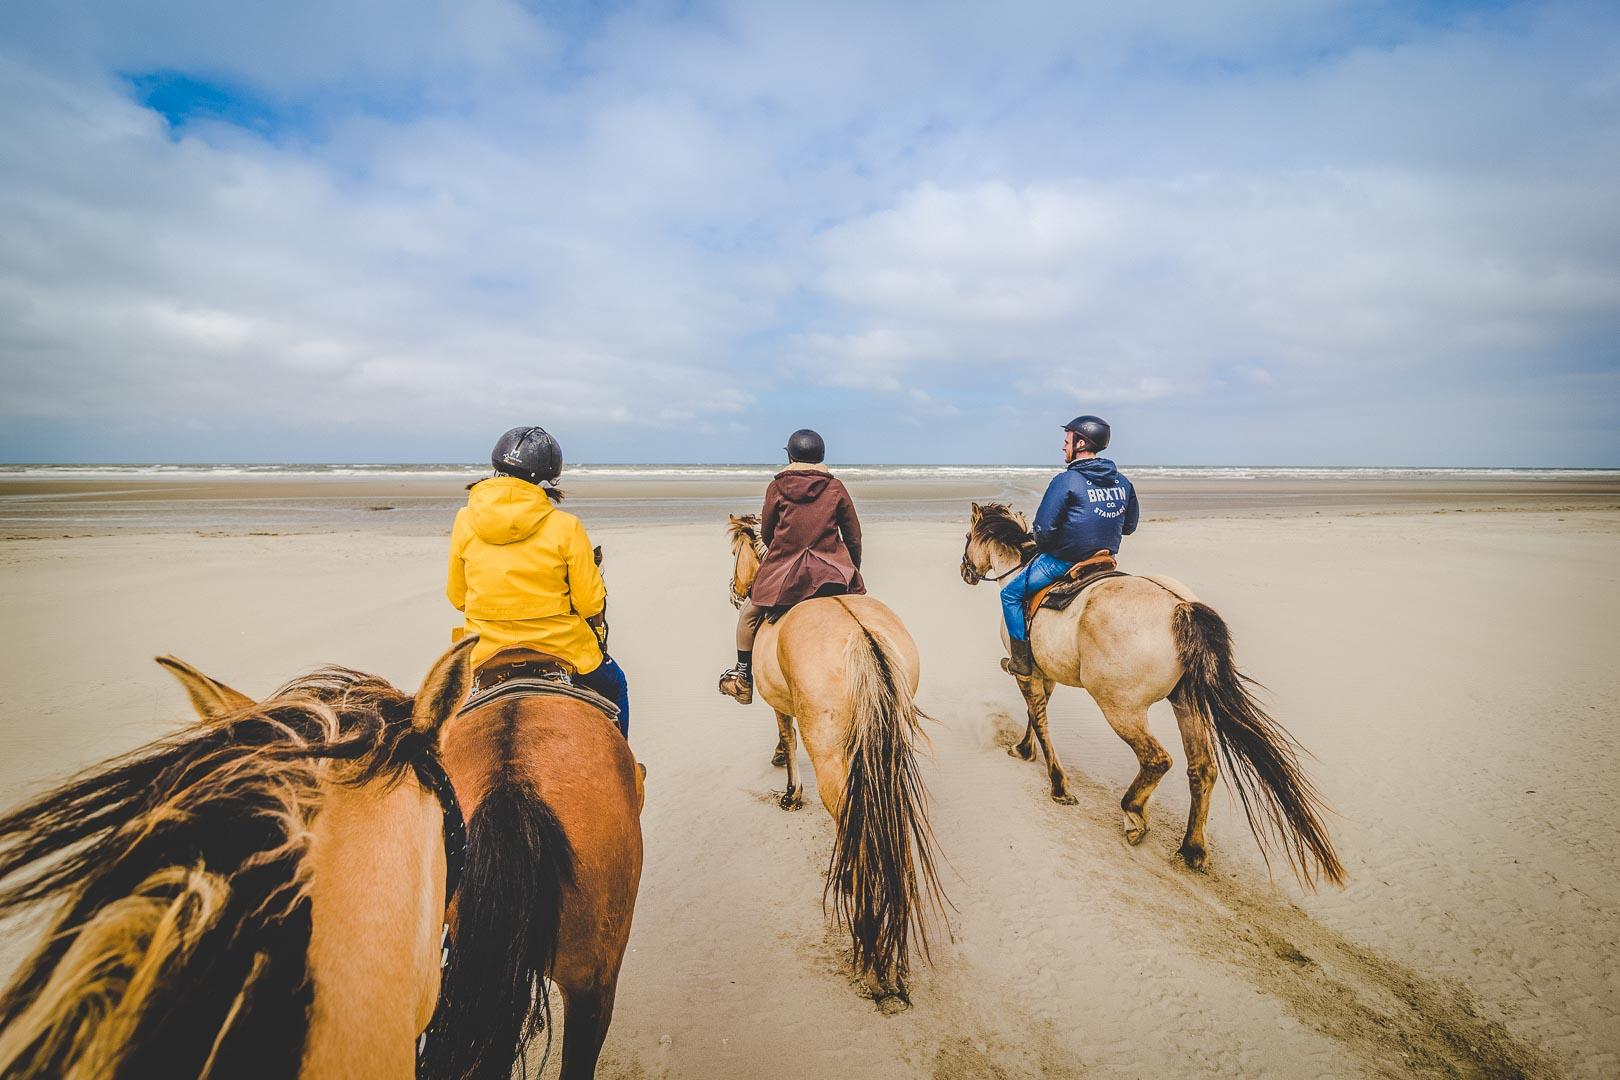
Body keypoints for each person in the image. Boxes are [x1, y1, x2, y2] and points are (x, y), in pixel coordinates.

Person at [446, 425, 631, 737]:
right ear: (547, 478)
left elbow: (457, 596)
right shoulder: (566, 526)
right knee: (616, 685)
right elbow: (589, 603)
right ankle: (627, 769)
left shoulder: (464, 520)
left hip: (484, 650)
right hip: (563, 647)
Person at [718, 428, 865, 704]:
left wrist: (784, 555)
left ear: (791, 456)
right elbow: (853, 536)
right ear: (821, 456)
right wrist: (851, 569)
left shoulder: (776, 487)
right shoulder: (835, 487)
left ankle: (743, 679)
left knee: (748, 616)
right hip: (832, 575)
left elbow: (768, 534)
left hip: (786, 576)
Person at [1000, 415, 1139, 677]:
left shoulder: (1065, 481)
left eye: (1067, 441)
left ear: (1081, 443)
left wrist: (1048, 545)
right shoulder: (1123, 482)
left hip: (1065, 560)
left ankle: (1020, 661)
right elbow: (1129, 527)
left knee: (1010, 594)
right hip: (1105, 559)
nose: (1063, 447)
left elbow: (1043, 530)